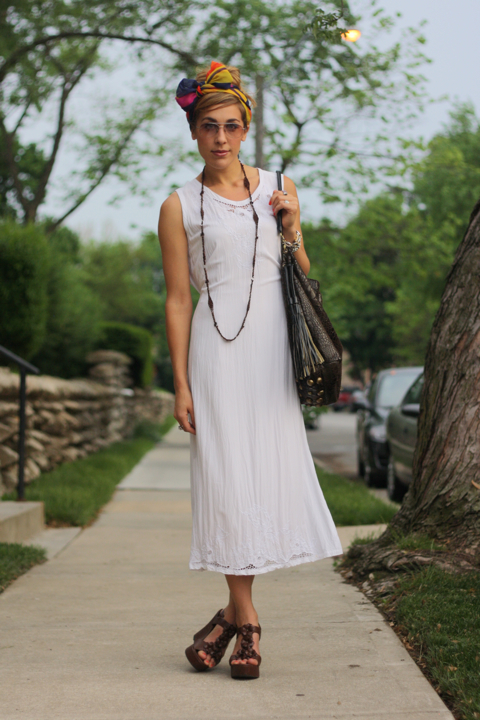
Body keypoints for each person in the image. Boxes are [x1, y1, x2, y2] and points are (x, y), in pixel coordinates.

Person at [158, 61, 343, 680]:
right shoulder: (178, 205)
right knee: (229, 484)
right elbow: (178, 299)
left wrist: (292, 226)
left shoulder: (279, 187)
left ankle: (226, 620)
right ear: (193, 131)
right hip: (214, 356)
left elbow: (301, 269)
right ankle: (251, 624)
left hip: (271, 355)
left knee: (260, 481)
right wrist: (181, 383)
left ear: (246, 129)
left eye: (231, 126)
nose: (221, 138)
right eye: (209, 126)